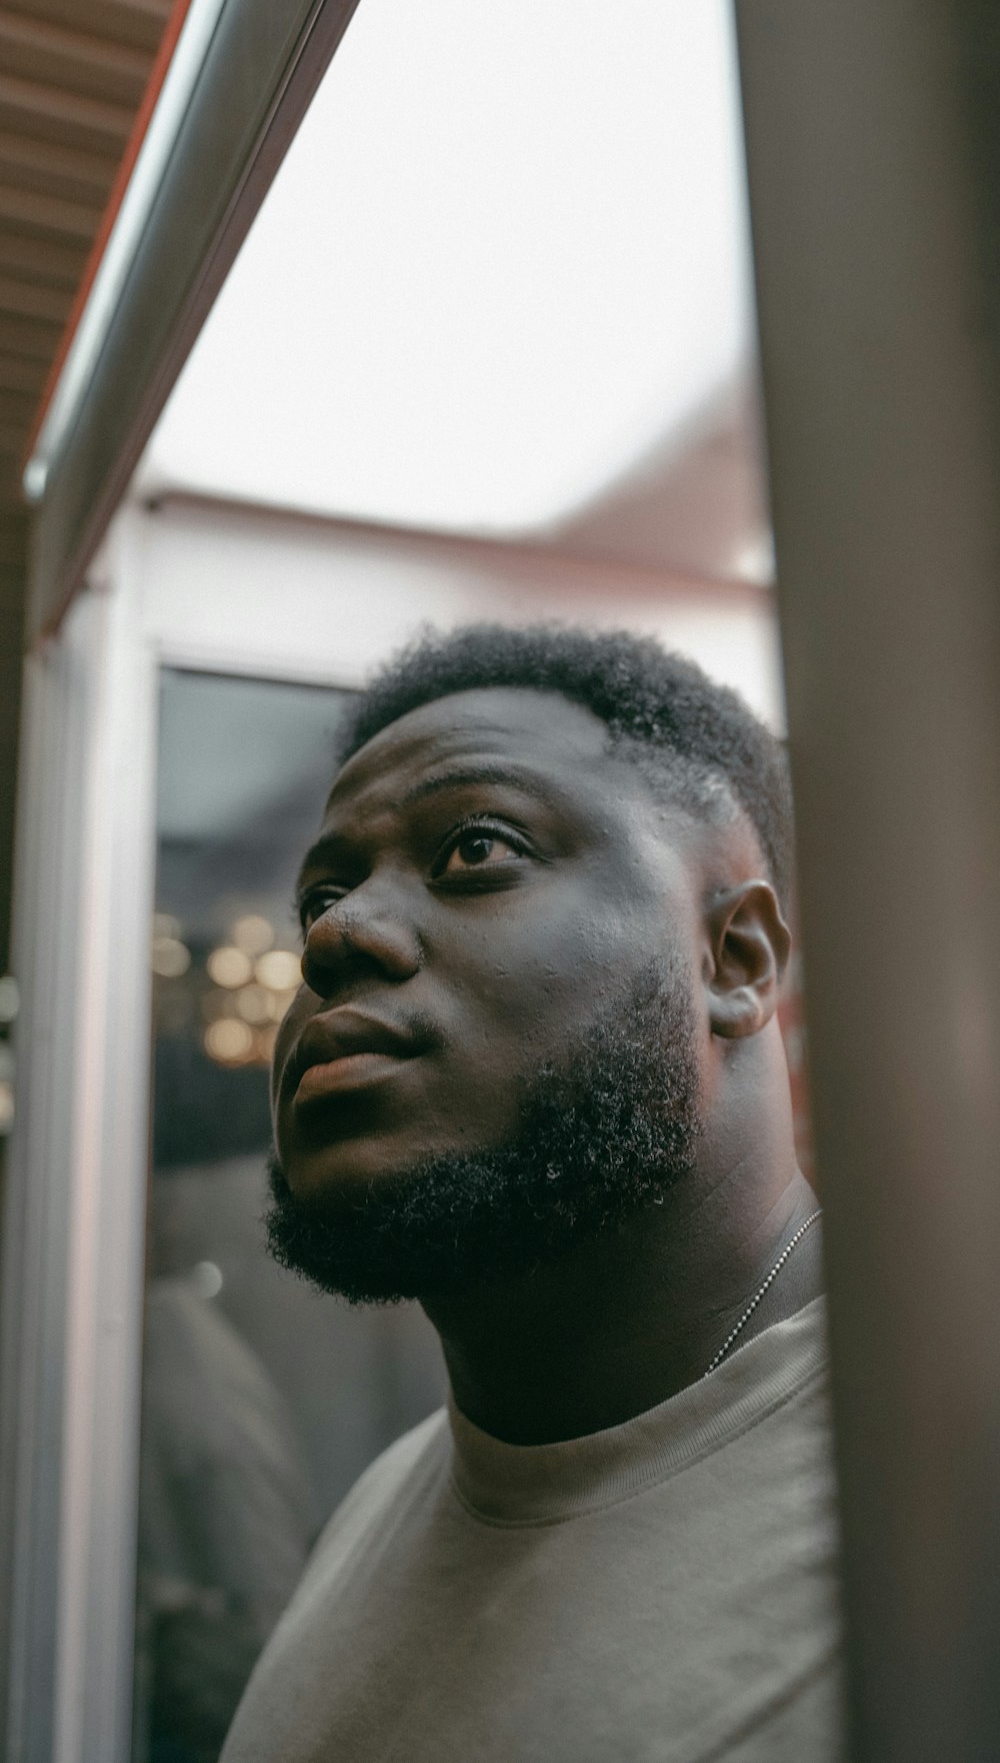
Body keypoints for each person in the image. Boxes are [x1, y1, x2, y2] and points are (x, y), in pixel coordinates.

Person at [221, 623, 843, 1763]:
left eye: (475, 849)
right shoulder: (385, 1504)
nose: (335, 937)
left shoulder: (936, 1495)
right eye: (322, 895)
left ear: (736, 959)